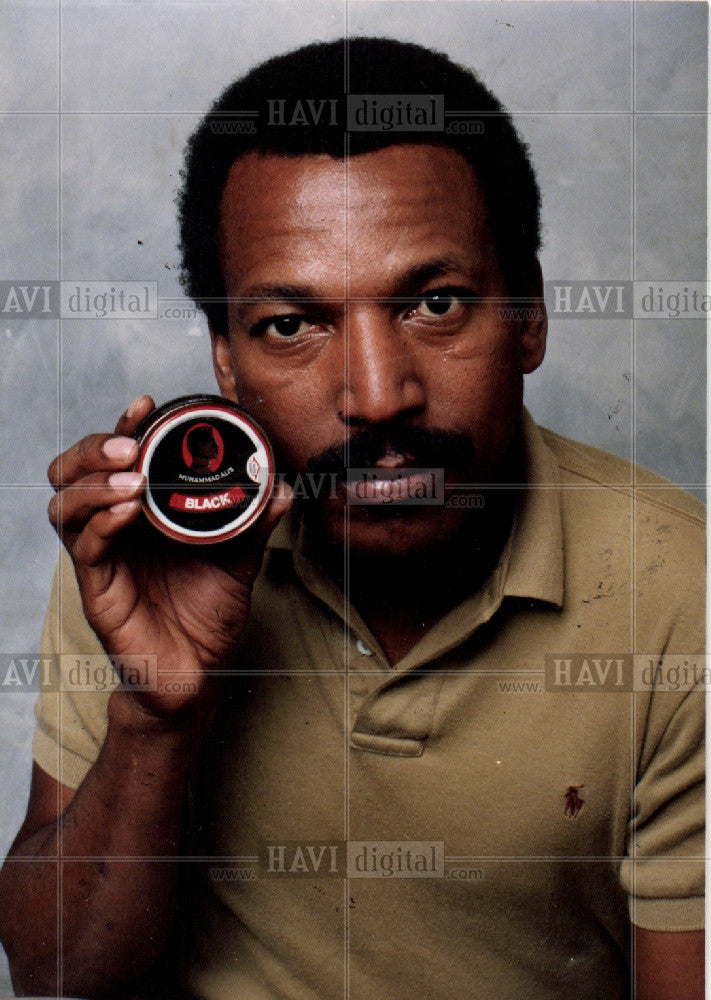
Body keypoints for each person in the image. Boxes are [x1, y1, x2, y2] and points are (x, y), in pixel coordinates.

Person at [0, 37, 704, 1000]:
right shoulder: (147, 553)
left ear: (529, 313)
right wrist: (153, 721)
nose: (376, 397)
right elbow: (53, 972)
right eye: (292, 325)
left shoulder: (680, 593)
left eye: (435, 303)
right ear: (225, 362)